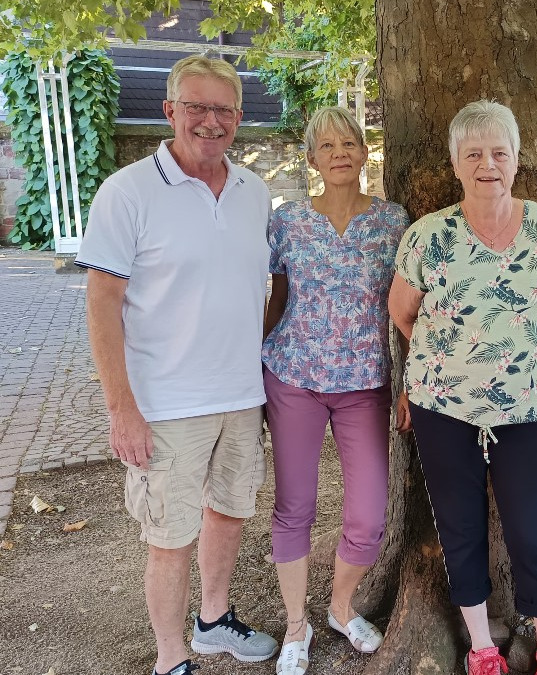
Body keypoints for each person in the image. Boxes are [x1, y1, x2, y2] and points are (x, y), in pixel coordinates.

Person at [76, 55, 278, 675]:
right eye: (196, 106)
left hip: (241, 396)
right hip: (165, 405)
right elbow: (102, 303)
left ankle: (213, 622)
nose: (210, 121)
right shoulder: (127, 192)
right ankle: (170, 660)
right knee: (169, 538)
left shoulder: (253, 192)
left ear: (238, 118)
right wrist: (122, 409)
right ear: (170, 110)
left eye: (223, 109)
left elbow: (256, 287)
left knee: (230, 513)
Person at [388, 100, 537, 675]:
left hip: (529, 408)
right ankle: (481, 647)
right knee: (459, 527)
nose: (487, 164)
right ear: (455, 164)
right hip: (443, 409)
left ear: (517, 160)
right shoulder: (428, 236)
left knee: (530, 529)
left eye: (499, 152)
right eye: (472, 154)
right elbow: (403, 313)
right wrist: (442, 365)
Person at [262, 107, 410, 675]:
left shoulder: (393, 222)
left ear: (364, 151)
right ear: (311, 159)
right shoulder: (287, 221)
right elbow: (277, 299)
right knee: (293, 506)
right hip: (292, 377)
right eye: (326, 145)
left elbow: (407, 310)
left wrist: (411, 383)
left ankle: (341, 608)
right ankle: (295, 626)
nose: (339, 152)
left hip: (365, 383)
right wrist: (253, 366)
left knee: (369, 515)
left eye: (349, 142)